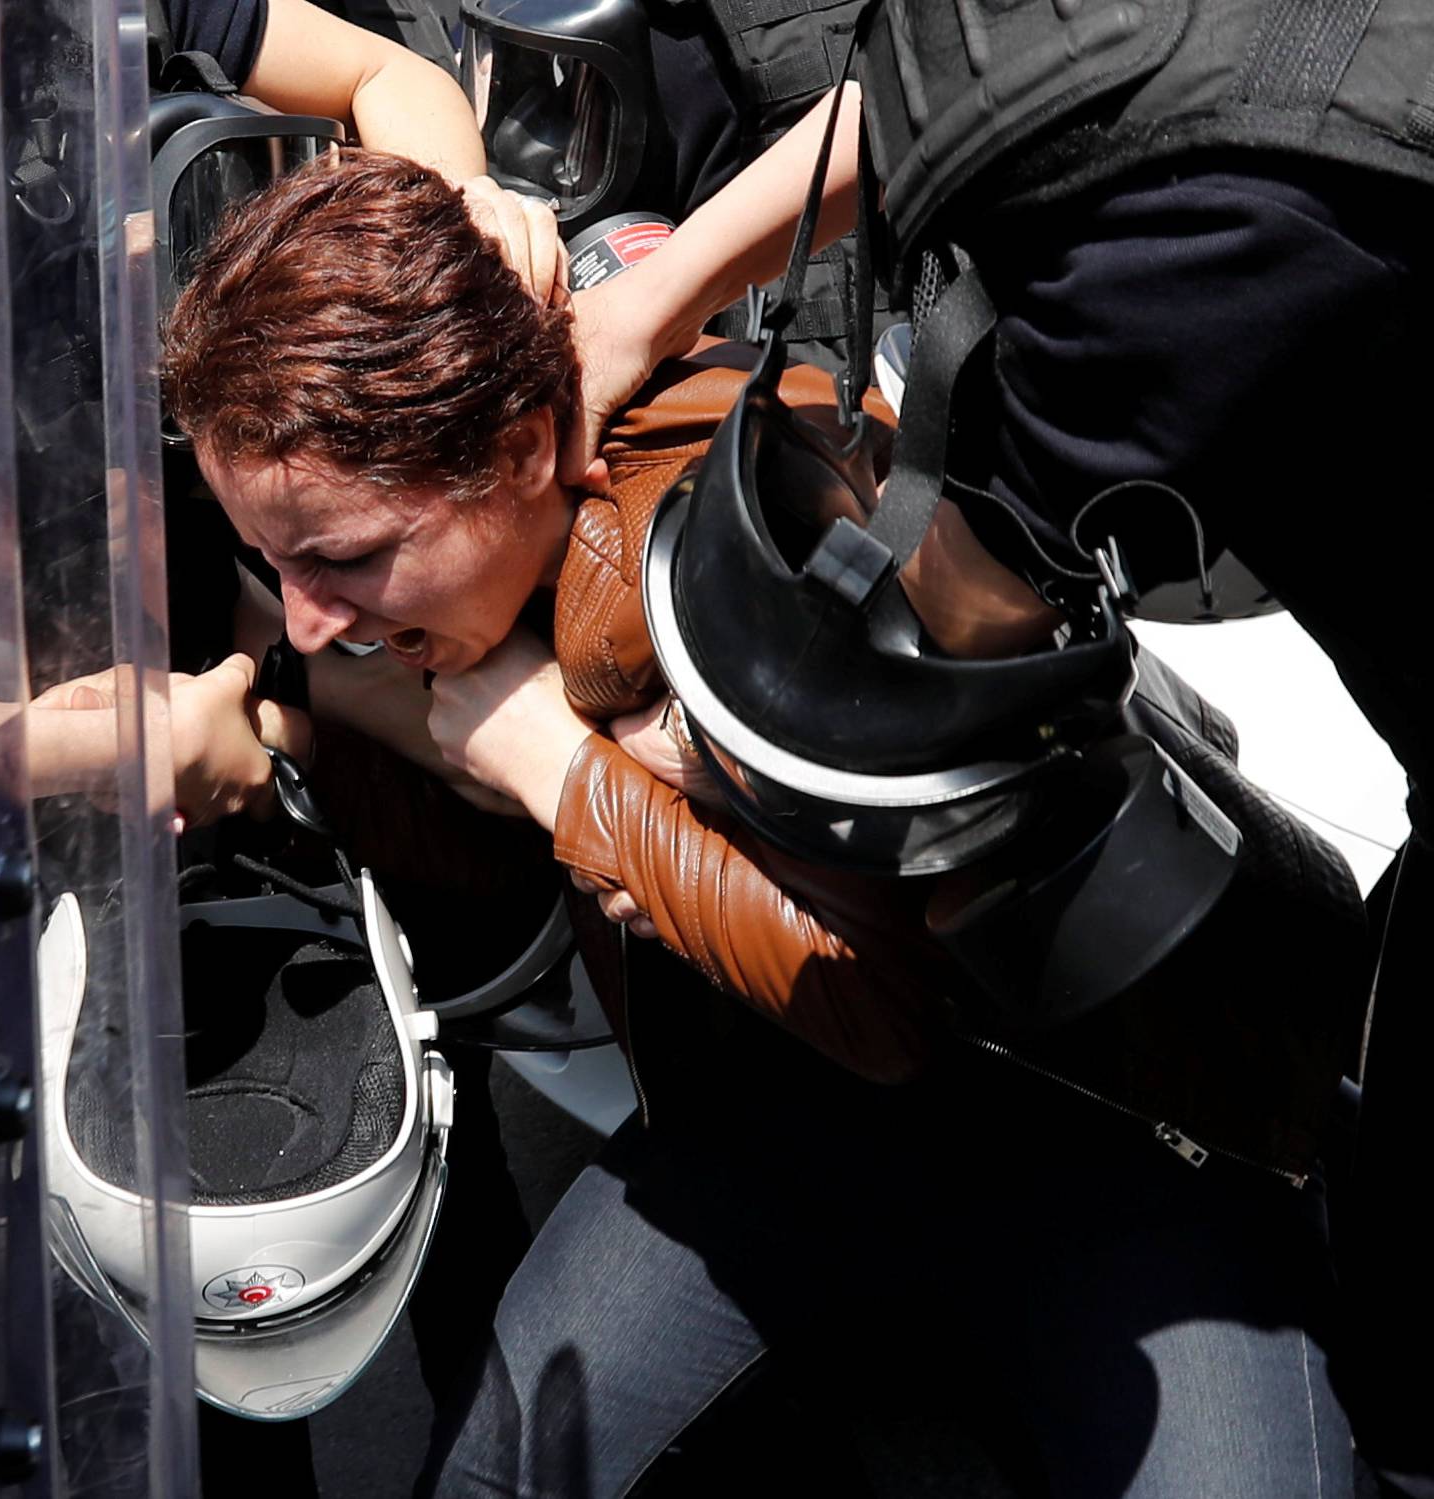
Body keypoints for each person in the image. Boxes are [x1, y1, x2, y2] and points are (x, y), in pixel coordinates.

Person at [161, 146, 1370, 1495]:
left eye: (341, 554)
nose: (315, 610)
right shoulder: (475, 605)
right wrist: (327, 707)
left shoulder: (723, 536)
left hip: (1107, 1137)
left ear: (513, 447)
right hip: (769, 1135)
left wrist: (561, 770)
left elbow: (889, 1014)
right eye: (277, 560)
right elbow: (477, 886)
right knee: (504, 1469)